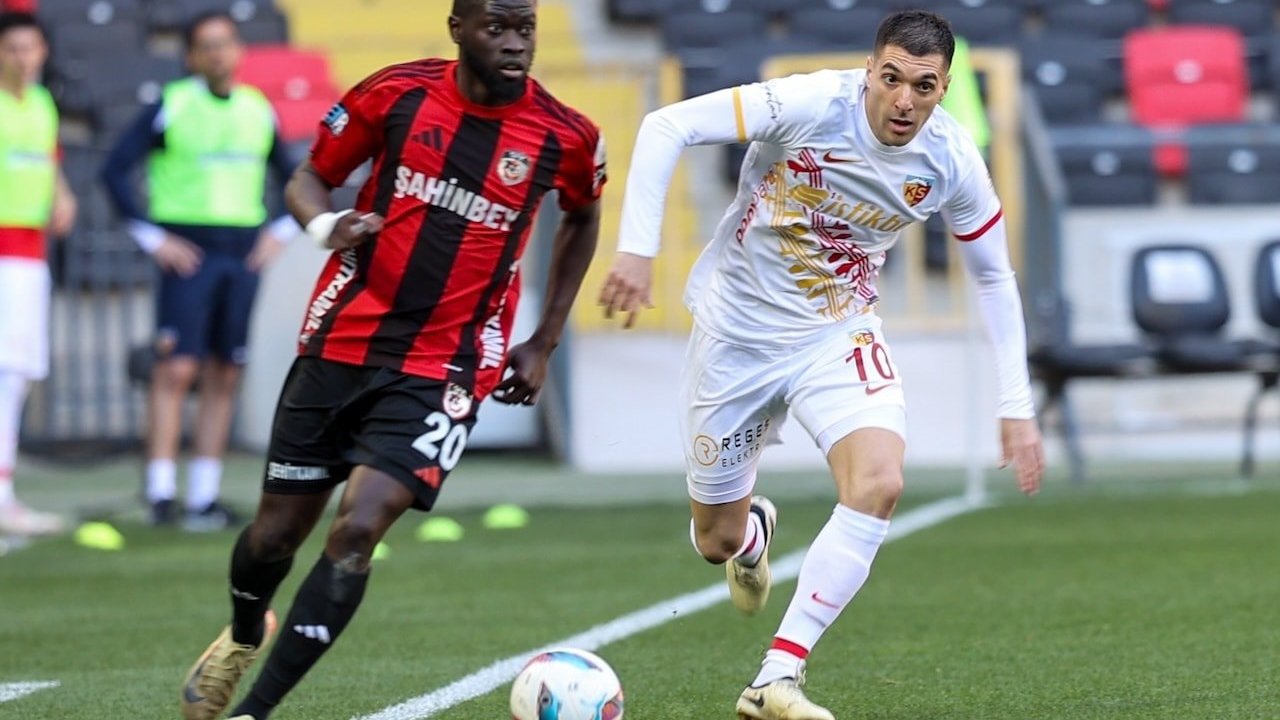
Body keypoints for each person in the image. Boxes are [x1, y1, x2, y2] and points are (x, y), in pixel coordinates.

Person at [599, 10, 1044, 720]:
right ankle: (752, 534)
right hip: (737, 337)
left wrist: (1015, 403)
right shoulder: (808, 103)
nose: (904, 101)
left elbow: (993, 275)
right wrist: (636, 250)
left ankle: (776, 677)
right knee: (715, 540)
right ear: (870, 70)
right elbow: (664, 126)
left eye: (923, 87)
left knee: (880, 481)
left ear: (944, 88)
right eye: (891, 78)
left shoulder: (951, 157)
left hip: (836, 335)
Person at [177, 0, 605, 718]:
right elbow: (308, 177)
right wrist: (326, 224)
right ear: (458, 29)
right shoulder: (397, 93)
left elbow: (583, 216)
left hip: (450, 361)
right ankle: (246, 630)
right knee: (274, 535)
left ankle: (255, 712)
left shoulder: (564, 134)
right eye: (496, 28)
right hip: (344, 336)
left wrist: (544, 338)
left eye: (525, 29)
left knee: (357, 530)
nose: (514, 44)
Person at [101, 11, 299, 531]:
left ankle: (203, 497)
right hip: (189, 251)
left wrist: (280, 232)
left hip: (242, 253)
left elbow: (297, 178)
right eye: (206, 45)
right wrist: (154, 237)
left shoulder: (257, 109)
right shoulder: (172, 105)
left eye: (225, 43)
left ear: (238, 50)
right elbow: (114, 170)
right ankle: (161, 493)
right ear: (190, 56)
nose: (217, 53)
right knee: (176, 368)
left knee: (226, 370)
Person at [0, 11, 76, 536]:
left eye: (29, 49)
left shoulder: (43, 103)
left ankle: (4, 493)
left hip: (30, 253)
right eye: (12, 49)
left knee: (18, 374)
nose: (22, 59)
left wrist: (63, 194)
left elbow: (47, 161)